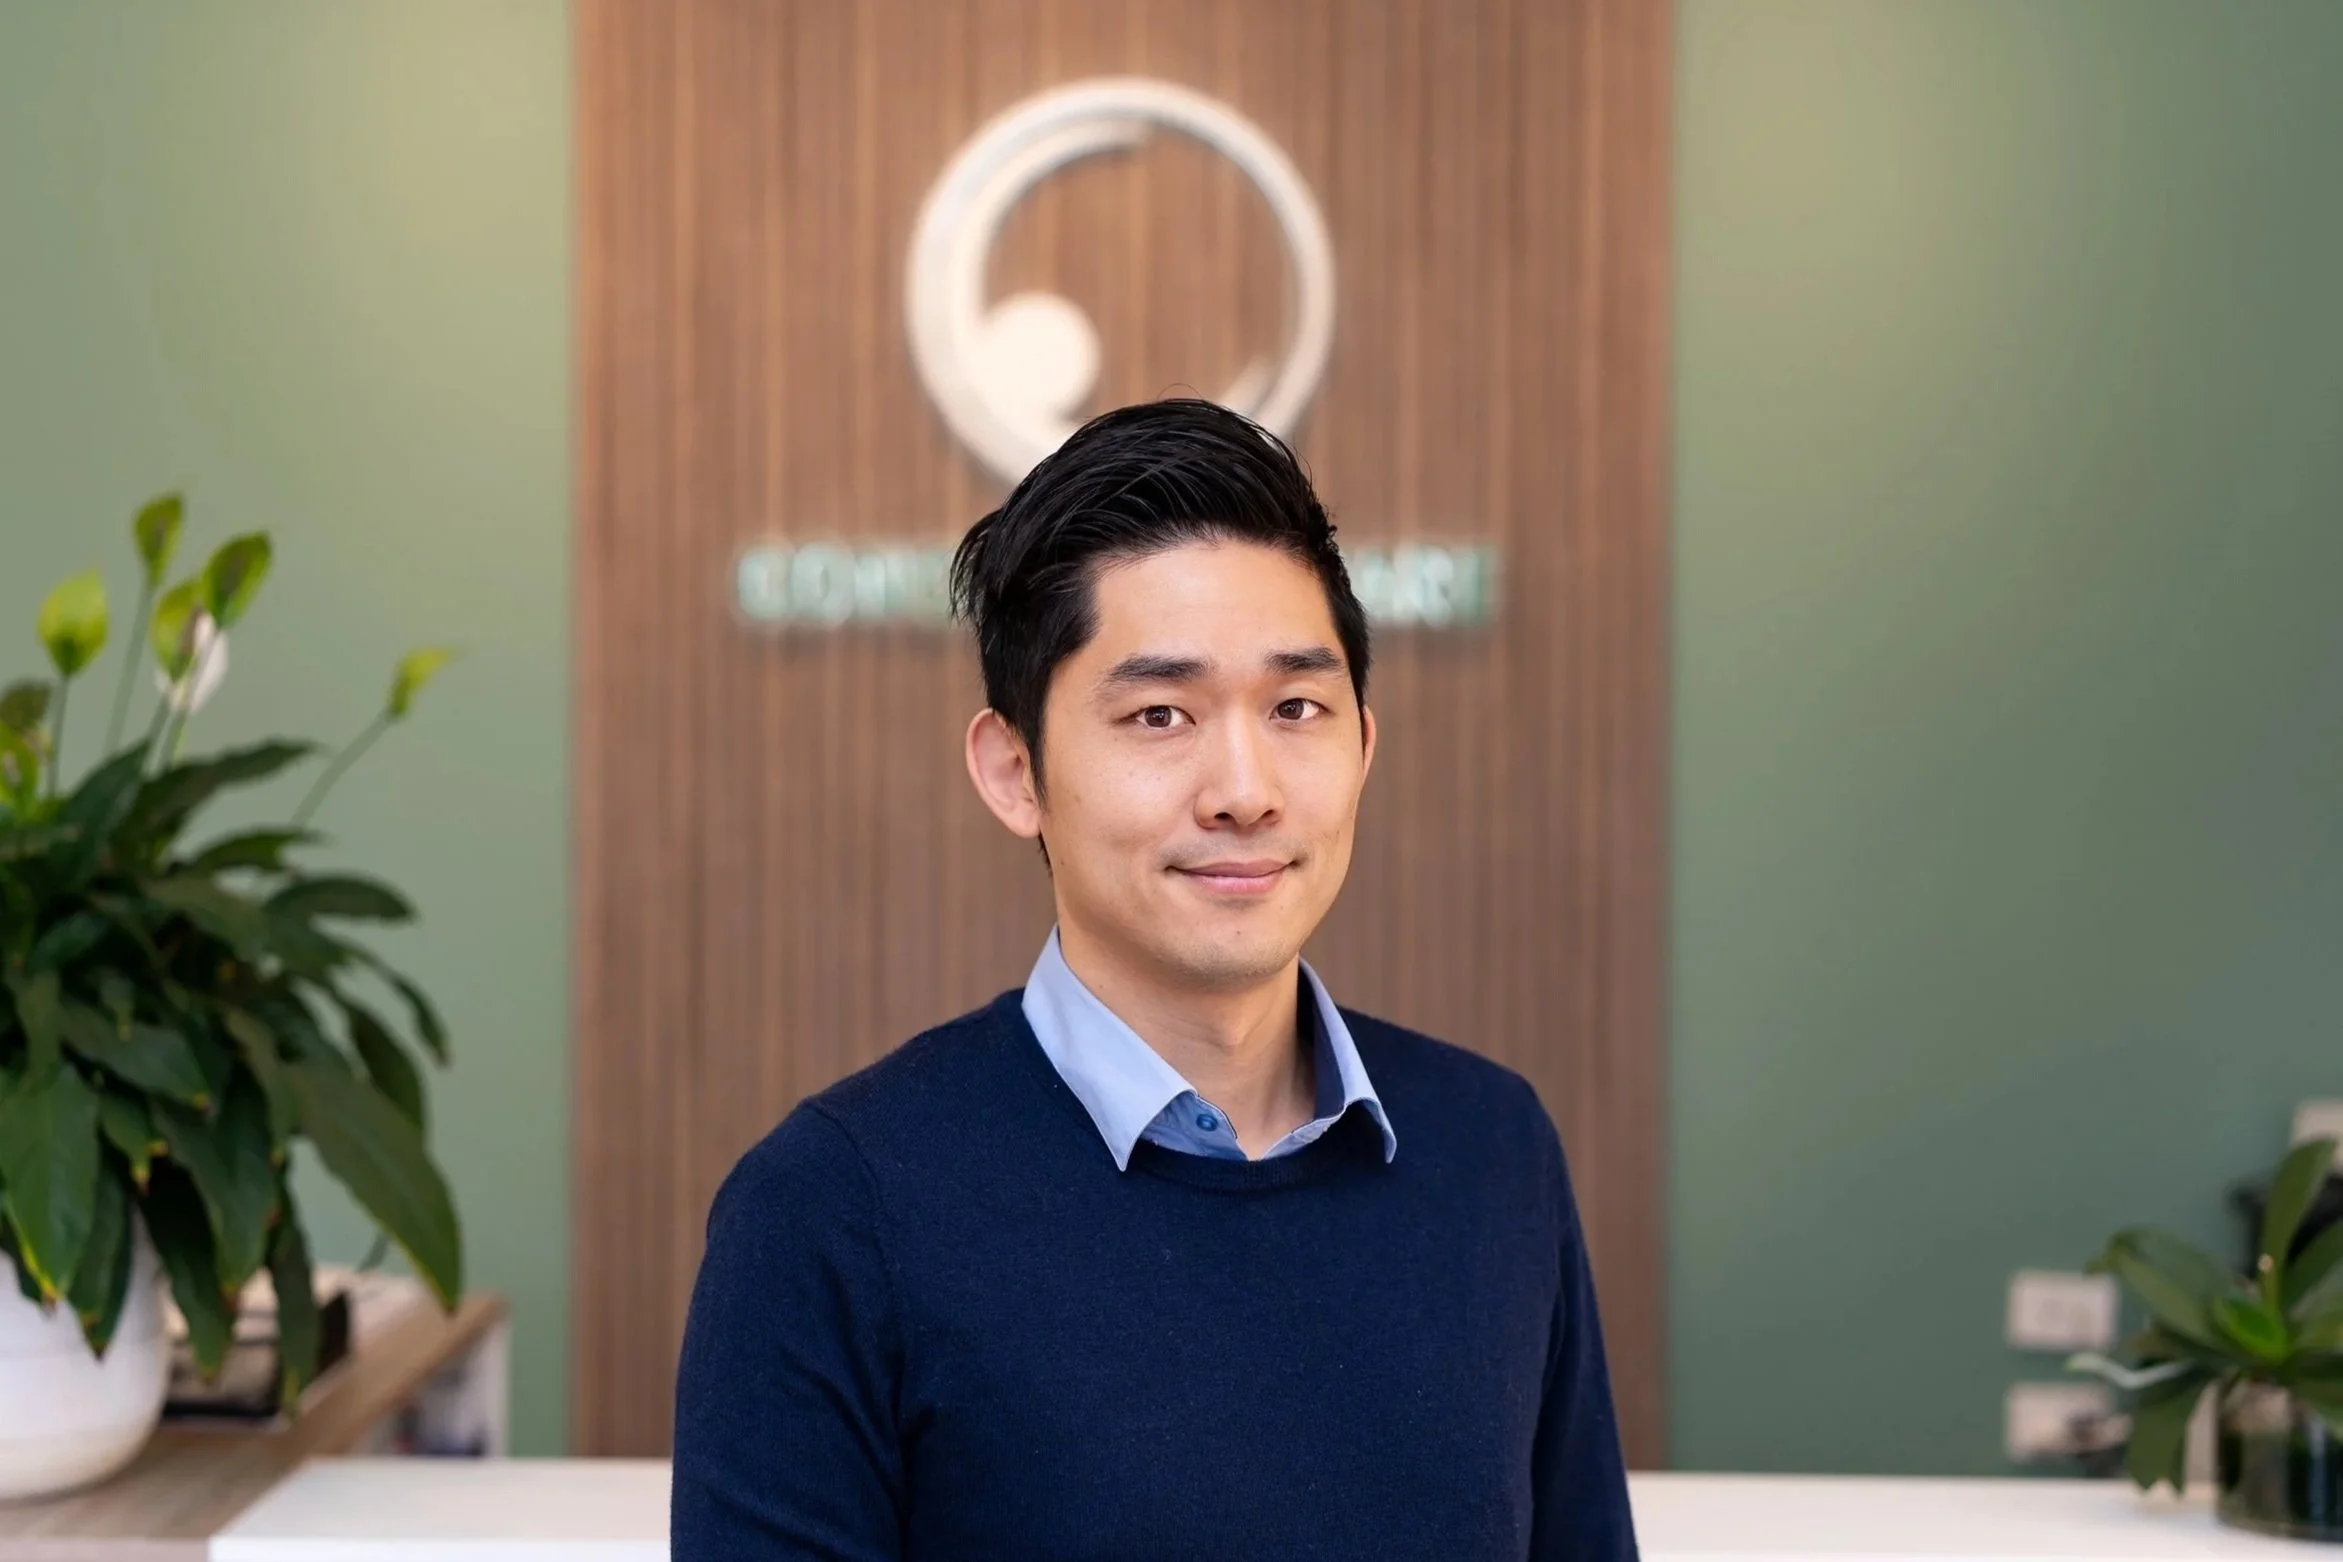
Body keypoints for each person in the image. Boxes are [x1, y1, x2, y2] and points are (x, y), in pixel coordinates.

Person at [671, 398, 1638, 1560]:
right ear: (1014, 768)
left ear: (1365, 745)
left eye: (1296, 707)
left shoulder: (1492, 1148)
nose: (1244, 787)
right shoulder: (828, 1211)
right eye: (1160, 712)